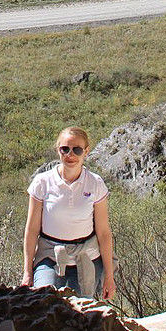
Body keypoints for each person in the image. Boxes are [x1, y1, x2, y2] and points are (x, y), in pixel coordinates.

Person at [21, 126, 116, 300]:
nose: (70, 155)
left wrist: (109, 277)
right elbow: (31, 230)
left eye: (77, 150)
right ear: (58, 150)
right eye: (65, 149)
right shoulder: (42, 183)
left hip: (86, 256)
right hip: (50, 255)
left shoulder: (95, 183)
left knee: (78, 312)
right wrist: (27, 272)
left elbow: (103, 232)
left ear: (86, 152)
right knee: (44, 303)